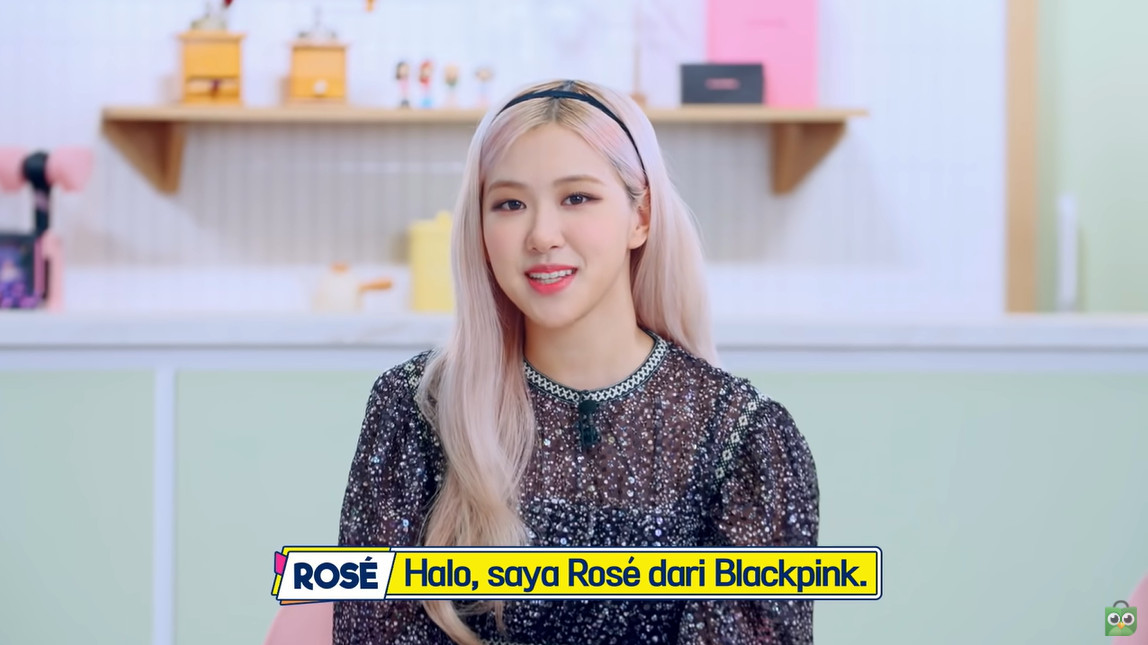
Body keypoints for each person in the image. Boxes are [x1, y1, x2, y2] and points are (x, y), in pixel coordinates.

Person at [334, 79, 820, 644]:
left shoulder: (743, 438)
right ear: (480, 229)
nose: (542, 235)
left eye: (577, 198)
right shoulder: (415, 409)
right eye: (510, 204)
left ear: (641, 217)